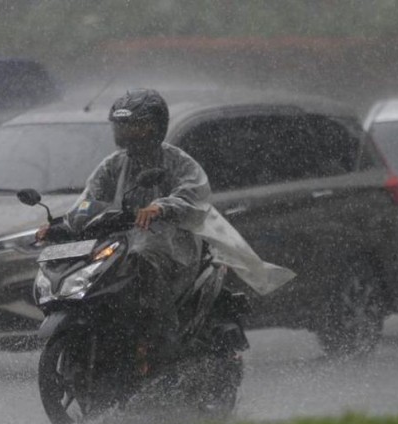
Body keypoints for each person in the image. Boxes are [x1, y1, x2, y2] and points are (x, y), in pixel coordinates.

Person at [37, 88, 295, 347]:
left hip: (174, 240)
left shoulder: (178, 161)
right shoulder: (112, 165)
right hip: (124, 239)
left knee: (141, 257)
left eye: (137, 126)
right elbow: (89, 201)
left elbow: (194, 195)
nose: (128, 133)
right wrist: (60, 226)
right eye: (122, 127)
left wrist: (161, 208)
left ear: (156, 127)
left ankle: (163, 332)